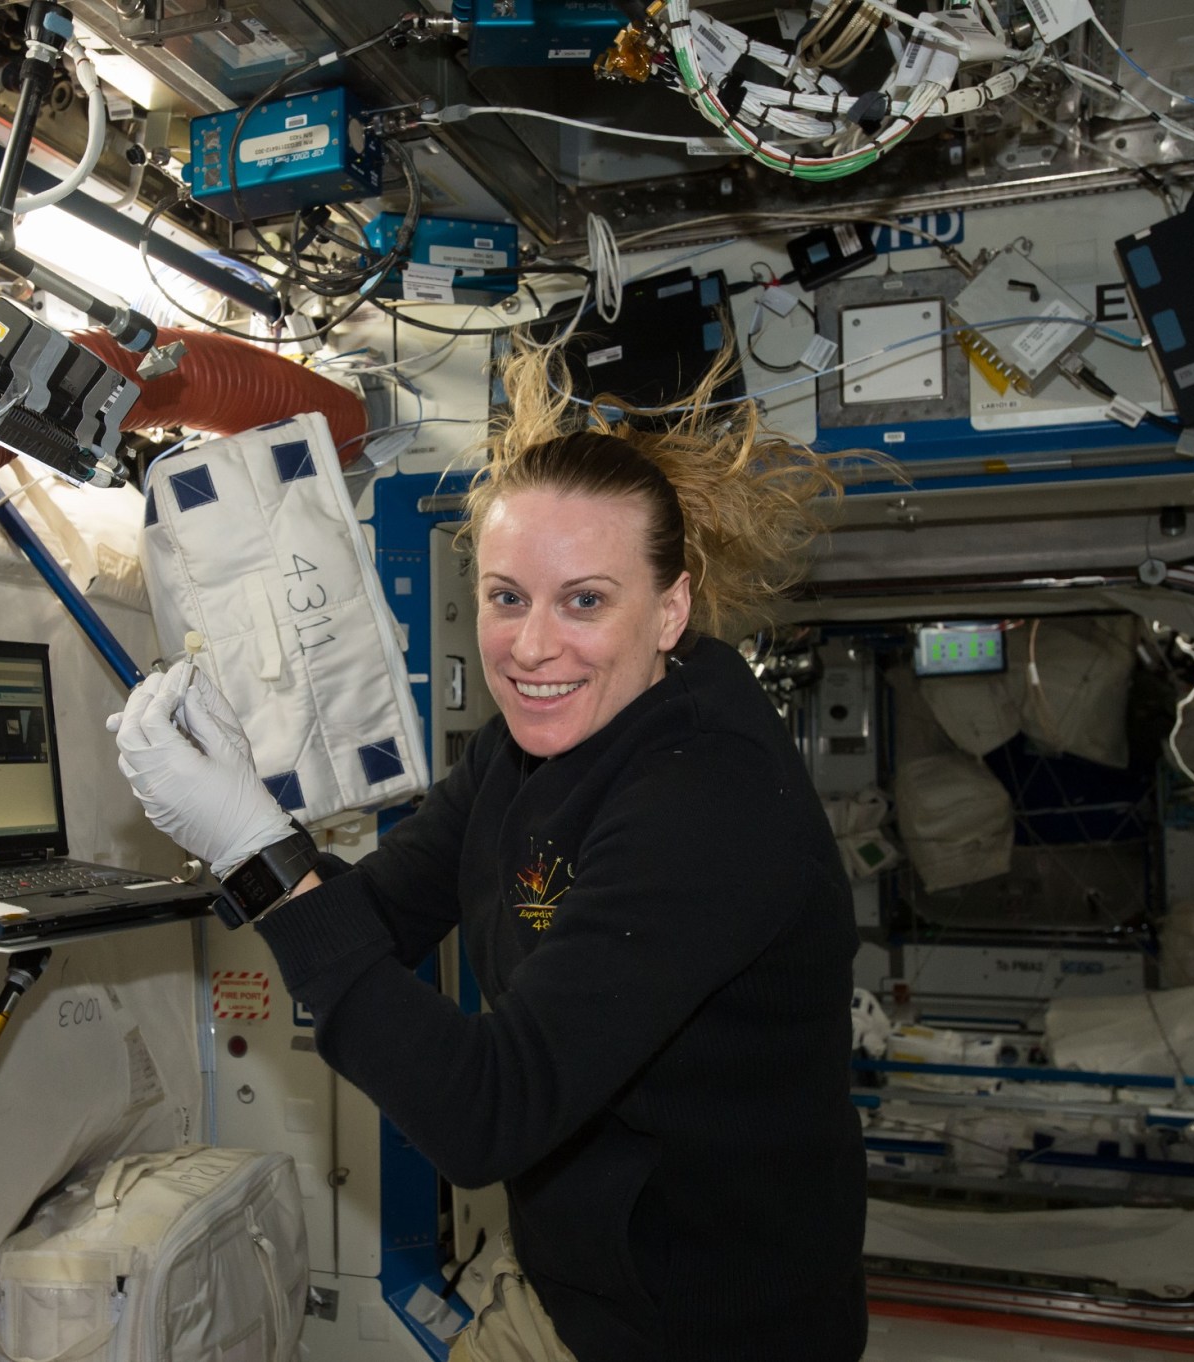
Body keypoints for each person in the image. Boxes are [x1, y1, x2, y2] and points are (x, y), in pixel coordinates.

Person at [111, 341, 867, 1361]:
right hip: (571, 1277)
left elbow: (483, 1113)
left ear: (670, 611)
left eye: (584, 601)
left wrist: (256, 849)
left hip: (696, 1327)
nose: (530, 646)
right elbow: (372, 916)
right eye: (507, 597)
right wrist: (252, 803)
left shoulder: (710, 804)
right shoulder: (527, 756)